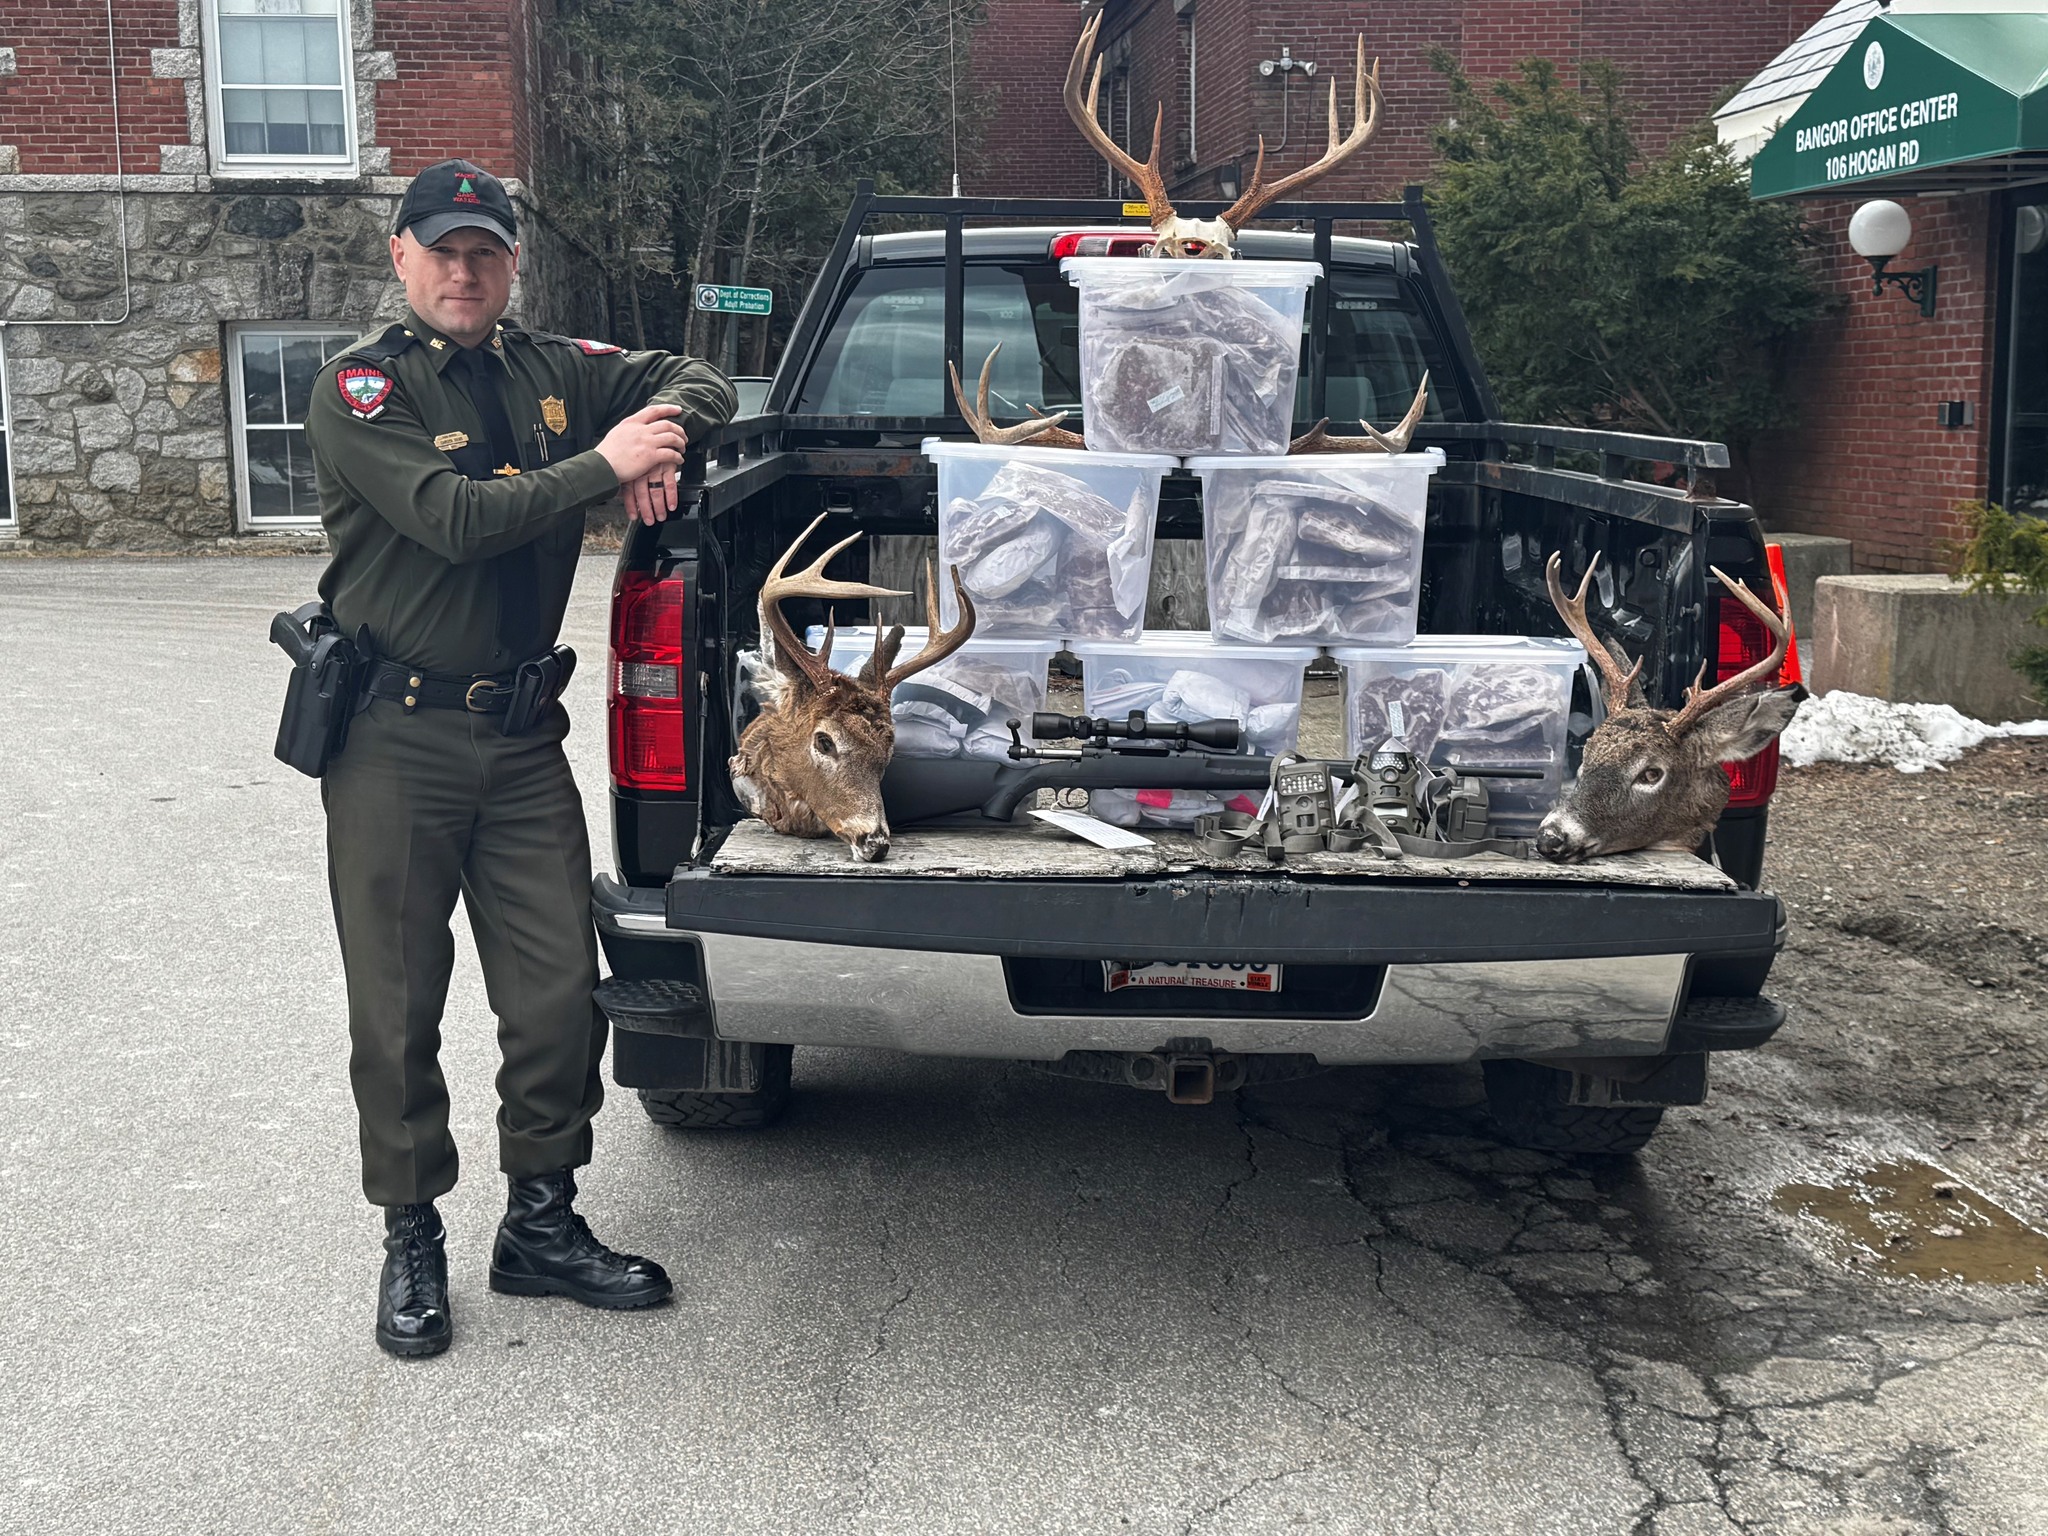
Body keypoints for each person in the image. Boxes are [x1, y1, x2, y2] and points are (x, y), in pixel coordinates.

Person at [304, 158, 736, 1358]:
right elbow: (452, 518)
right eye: (440, 249)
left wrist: (664, 436)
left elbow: (698, 376)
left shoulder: (554, 369)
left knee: (555, 999)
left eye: (483, 249)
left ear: (510, 263)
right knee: (397, 1011)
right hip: (395, 743)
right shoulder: (361, 387)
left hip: (520, 741)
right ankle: (412, 1236)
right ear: (400, 257)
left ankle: (540, 1225)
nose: (462, 269)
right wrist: (610, 464)